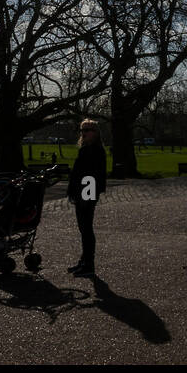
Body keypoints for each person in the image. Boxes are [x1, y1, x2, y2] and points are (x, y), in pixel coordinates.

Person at [67, 118, 107, 277]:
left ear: (96, 133)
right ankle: (84, 260)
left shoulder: (94, 150)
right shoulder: (87, 148)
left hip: (88, 189)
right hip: (83, 189)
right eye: (82, 130)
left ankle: (88, 263)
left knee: (86, 228)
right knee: (83, 228)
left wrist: (85, 196)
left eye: (87, 130)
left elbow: (93, 175)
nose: (84, 133)